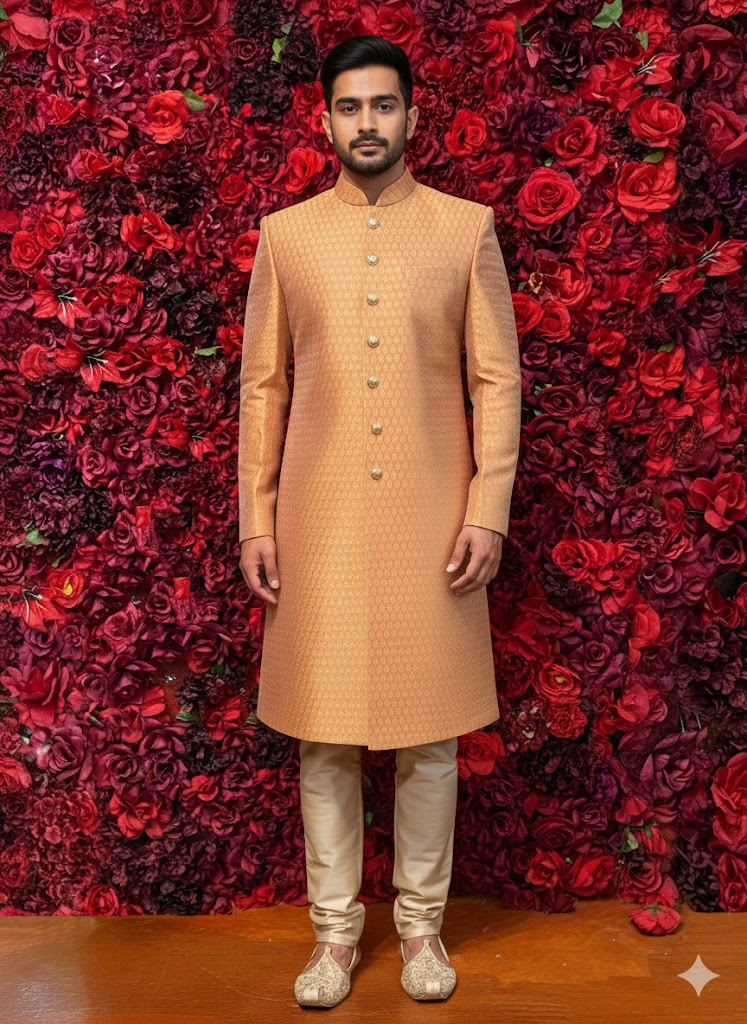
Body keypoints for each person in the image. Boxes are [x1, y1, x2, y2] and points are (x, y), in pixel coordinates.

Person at [238, 34, 522, 1007]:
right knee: (322, 738)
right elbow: (263, 388)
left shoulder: (464, 229)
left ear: (411, 115)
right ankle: (332, 938)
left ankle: (421, 930)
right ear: (325, 120)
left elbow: (496, 379)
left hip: (433, 520)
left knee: (429, 739)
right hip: (315, 524)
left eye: (383, 105)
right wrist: (255, 519)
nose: (368, 123)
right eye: (350, 107)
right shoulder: (286, 236)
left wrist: (488, 507)